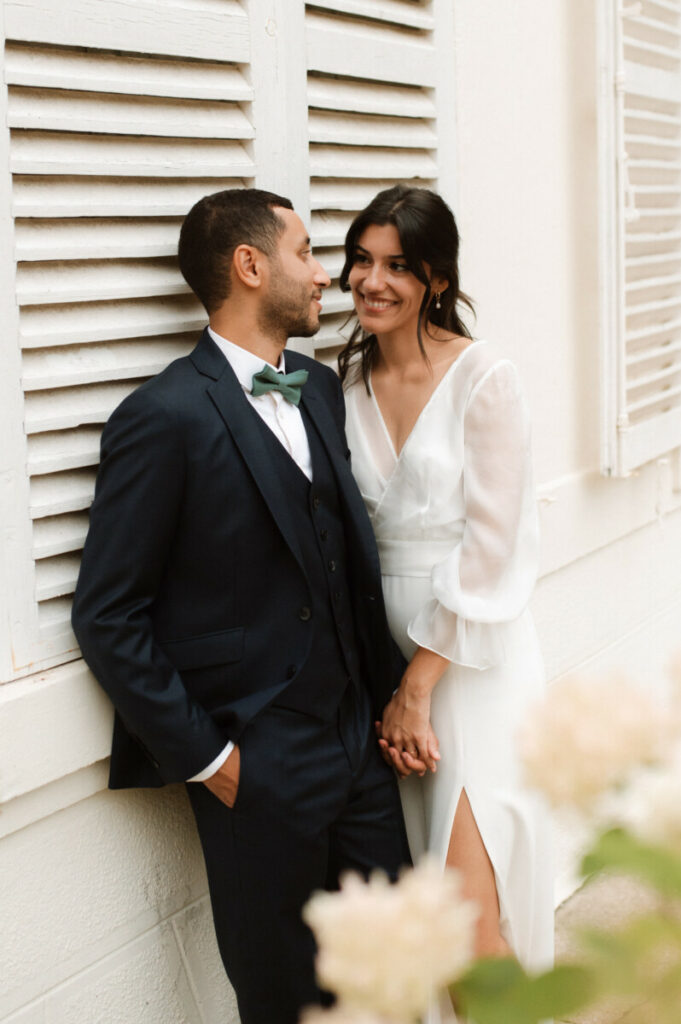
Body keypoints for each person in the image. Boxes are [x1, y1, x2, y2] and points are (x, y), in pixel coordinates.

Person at [71, 188, 410, 1024]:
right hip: (257, 762)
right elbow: (108, 612)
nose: (325, 275)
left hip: (356, 745)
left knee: (396, 977)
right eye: (306, 252)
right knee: (284, 998)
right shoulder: (162, 417)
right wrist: (213, 761)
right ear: (249, 266)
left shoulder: (317, 387)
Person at [339, 186, 553, 991]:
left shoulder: (484, 377)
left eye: (397, 266)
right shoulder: (344, 381)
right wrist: (388, 688)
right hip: (387, 674)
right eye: (361, 260)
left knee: (469, 923)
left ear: (435, 278)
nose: (371, 281)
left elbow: (494, 548)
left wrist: (418, 687)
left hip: (469, 666)